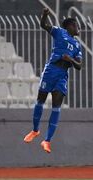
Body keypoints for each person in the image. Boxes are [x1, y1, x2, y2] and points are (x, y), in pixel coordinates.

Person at [23, 8, 82, 153]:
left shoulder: (77, 46)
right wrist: (44, 15)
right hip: (51, 70)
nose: (77, 28)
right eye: (75, 25)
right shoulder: (59, 32)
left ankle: (47, 140)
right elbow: (43, 25)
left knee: (56, 106)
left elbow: (79, 66)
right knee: (40, 100)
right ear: (68, 26)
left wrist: (71, 60)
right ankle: (35, 130)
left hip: (62, 75)